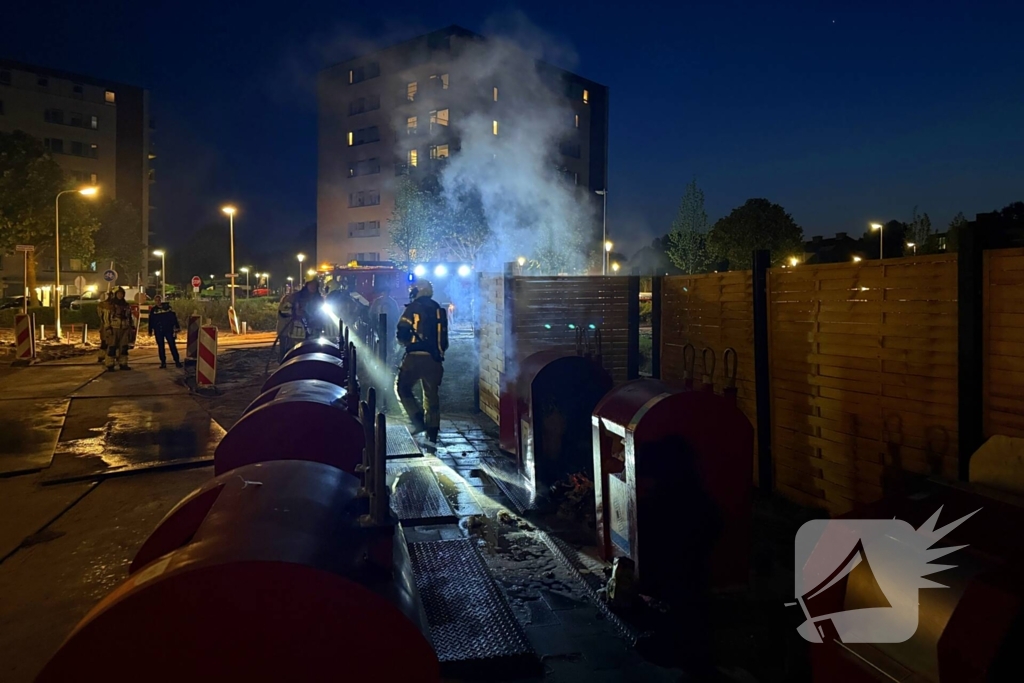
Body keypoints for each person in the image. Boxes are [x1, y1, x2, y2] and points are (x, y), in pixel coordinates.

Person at [396, 279, 448, 442]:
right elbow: (444, 339)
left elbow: (402, 333)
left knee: (402, 388)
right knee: (431, 394)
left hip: (414, 358)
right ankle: (432, 431)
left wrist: (405, 342)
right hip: (434, 359)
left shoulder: (412, 308)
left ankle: (417, 420)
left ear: (419, 291)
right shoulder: (438, 309)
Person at [104, 287, 136, 371]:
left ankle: (123, 363)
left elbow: (130, 317)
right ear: (115, 294)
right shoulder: (111, 305)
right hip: (114, 328)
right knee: (112, 347)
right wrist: (107, 327)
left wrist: (131, 326)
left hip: (125, 328)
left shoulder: (126, 305)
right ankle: (110, 364)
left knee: (124, 347)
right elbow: (106, 317)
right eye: (118, 294)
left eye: (121, 294)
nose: (120, 295)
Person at [147, 295, 182, 369]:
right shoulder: (153, 310)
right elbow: (151, 321)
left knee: (172, 345)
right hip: (158, 330)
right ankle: (163, 362)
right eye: (156, 300)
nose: (158, 302)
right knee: (161, 347)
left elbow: (173, 318)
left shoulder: (167, 308)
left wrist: (177, 326)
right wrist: (150, 330)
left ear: (161, 300)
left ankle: (177, 361)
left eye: (159, 300)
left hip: (168, 330)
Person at [368, 284, 401, 363]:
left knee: (389, 343)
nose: (385, 294)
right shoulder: (377, 302)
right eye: (384, 292)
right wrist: (374, 322)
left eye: (387, 292)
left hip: (389, 326)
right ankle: (379, 360)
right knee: (379, 343)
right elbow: (372, 313)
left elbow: (396, 314)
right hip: (378, 326)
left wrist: (394, 324)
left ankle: (388, 360)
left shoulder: (392, 302)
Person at [96, 291, 113, 363]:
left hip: (115, 326)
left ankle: (110, 357)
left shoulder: (117, 305)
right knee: (104, 342)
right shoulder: (102, 305)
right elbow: (101, 315)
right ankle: (102, 356)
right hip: (105, 326)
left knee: (113, 342)